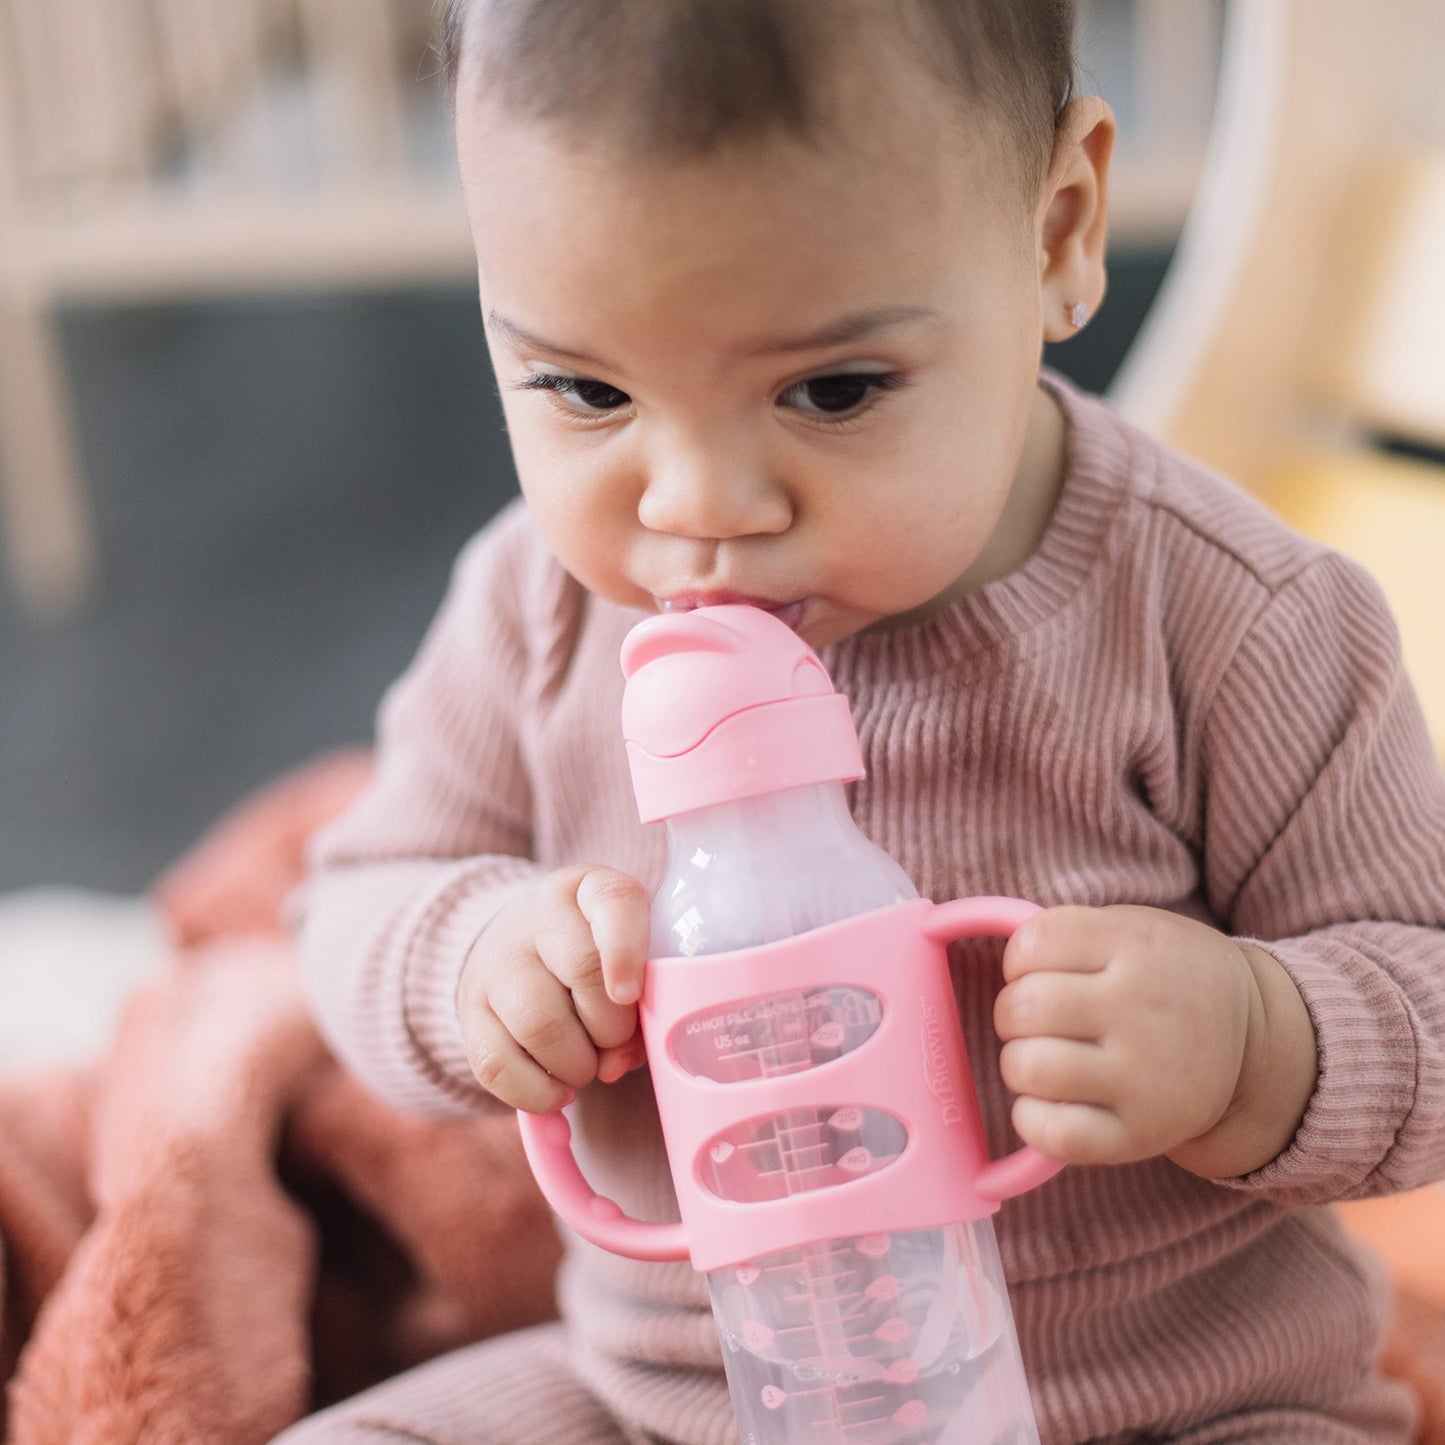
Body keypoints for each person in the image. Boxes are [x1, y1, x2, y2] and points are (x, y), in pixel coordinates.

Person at [281, 1, 1445, 1441]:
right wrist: (472, 961)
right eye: (586, 389)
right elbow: (353, 900)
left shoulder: (1232, 621)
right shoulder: (536, 611)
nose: (697, 510)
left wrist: (1254, 1041)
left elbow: (1427, 991)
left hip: (1177, 1404)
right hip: (676, 1401)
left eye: (829, 391)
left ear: (1055, 230)